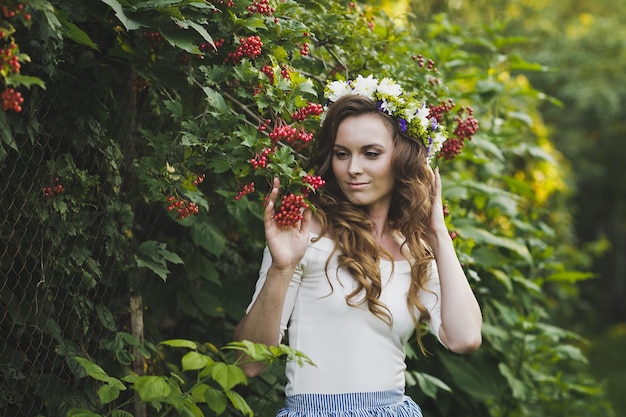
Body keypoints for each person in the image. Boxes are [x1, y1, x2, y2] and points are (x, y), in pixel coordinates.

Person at [234, 76, 483, 417]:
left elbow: (465, 337)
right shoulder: (304, 233)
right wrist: (281, 268)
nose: (353, 169)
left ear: (403, 159)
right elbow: (248, 362)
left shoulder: (413, 249)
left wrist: (438, 234)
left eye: (371, 153)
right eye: (341, 154)